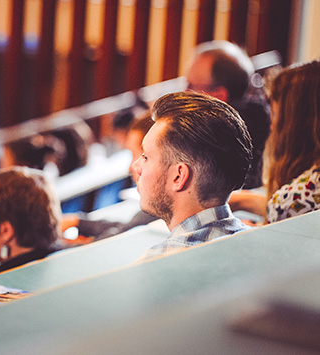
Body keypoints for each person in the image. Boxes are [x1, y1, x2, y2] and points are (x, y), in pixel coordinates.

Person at [132, 91, 253, 262]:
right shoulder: (257, 242)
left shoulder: (159, 262)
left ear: (179, 176)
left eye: (145, 157)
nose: (136, 166)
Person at [230, 59, 320, 223]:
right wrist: (241, 200)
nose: (272, 127)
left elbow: (286, 204)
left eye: (276, 116)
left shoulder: (296, 196)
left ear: (296, 124)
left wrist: (252, 233)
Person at [61, 112, 157, 243]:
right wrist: (78, 222)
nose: (131, 167)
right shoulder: (153, 214)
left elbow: (121, 234)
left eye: (137, 155)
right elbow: (126, 227)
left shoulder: (156, 209)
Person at [185, 40, 270, 188]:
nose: (184, 92)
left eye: (191, 86)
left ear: (219, 95)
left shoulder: (220, 138)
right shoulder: (259, 114)